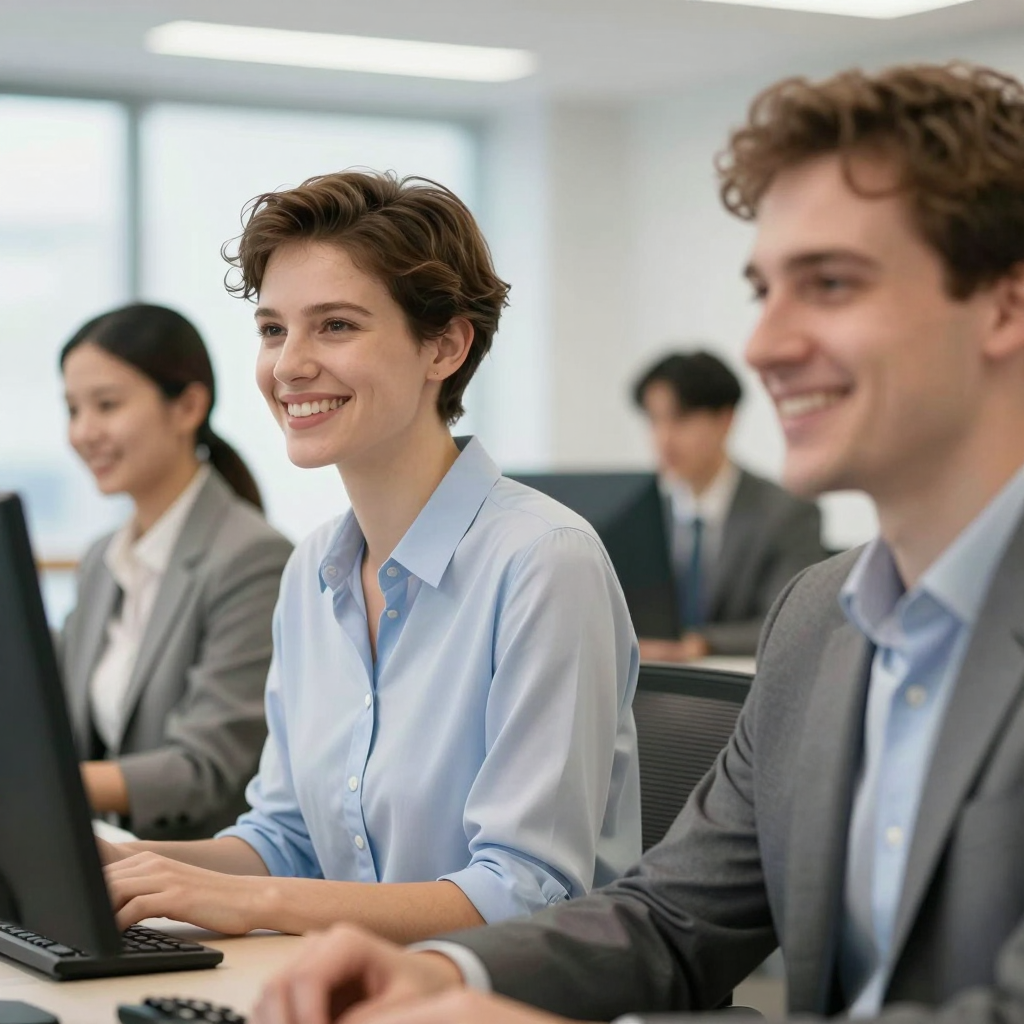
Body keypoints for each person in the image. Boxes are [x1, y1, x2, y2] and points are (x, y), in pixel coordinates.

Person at [245, 61, 1024, 1024]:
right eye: (763, 290)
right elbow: (668, 922)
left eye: (829, 284)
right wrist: (450, 977)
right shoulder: (823, 620)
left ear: (1004, 303)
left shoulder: (544, 558)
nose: (765, 345)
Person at [98, 171, 641, 943]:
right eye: (273, 329)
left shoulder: (544, 563)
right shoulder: (311, 570)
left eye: (337, 326)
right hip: (354, 988)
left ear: (445, 346)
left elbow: (526, 892)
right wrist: (119, 860)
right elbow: (287, 841)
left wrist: (256, 905)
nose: (288, 365)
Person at [59, 303, 292, 841]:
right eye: (72, 409)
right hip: (110, 872)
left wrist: (57, 786)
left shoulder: (252, 558)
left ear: (187, 406)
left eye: (107, 405)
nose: (83, 431)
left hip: (204, 885)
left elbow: (202, 771)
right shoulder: (101, 561)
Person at [633, 349, 825, 660]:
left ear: (725, 420)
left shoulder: (785, 512)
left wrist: (701, 644)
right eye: (654, 421)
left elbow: (794, 622)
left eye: (680, 419)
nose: (663, 439)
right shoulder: (645, 514)